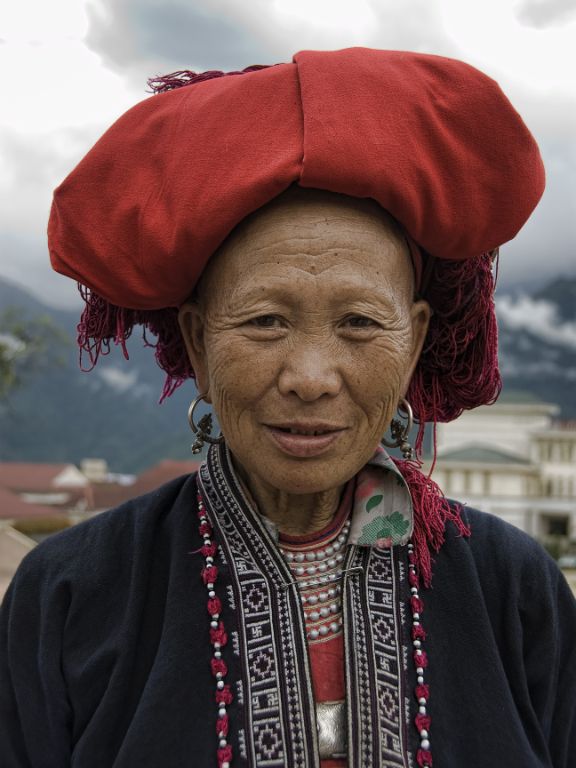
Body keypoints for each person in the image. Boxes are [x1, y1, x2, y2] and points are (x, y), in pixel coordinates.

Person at [1, 47, 574, 768]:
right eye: (265, 321)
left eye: (360, 323)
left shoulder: (515, 593)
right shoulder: (71, 594)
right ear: (198, 343)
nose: (310, 377)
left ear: (416, 340)